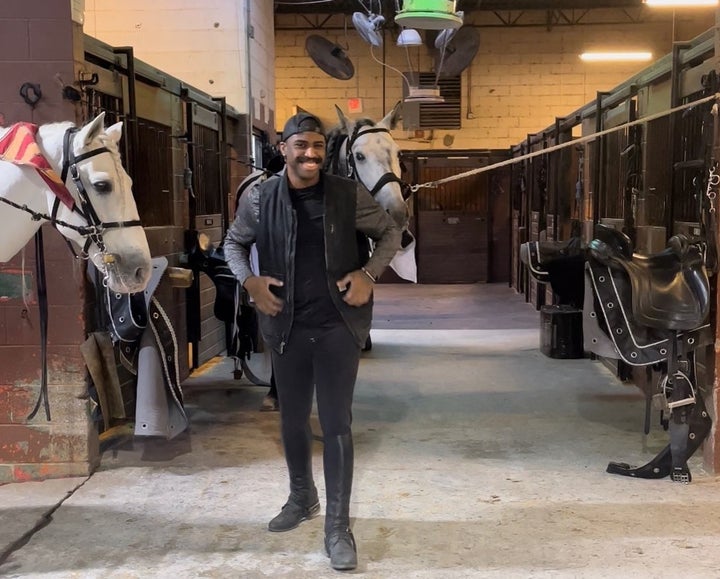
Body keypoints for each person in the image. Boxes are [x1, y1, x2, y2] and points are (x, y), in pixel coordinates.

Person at [223, 112, 401, 571]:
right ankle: (302, 497)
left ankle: (337, 526)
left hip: (338, 323)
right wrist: (250, 283)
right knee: (293, 418)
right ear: (283, 148)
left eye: (318, 146)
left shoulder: (345, 193)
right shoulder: (260, 197)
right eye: (301, 145)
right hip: (285, 325)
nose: (311, 154)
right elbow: (233, 244)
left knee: (337, 423)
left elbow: (390, 231)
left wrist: (367, 273)